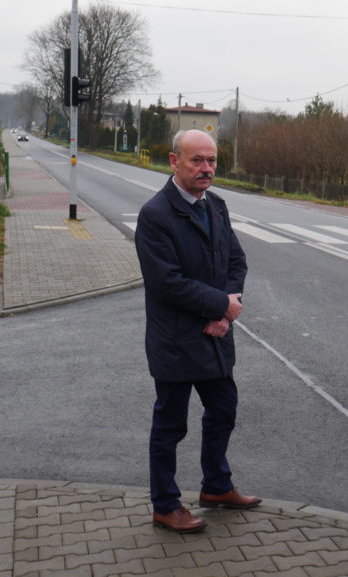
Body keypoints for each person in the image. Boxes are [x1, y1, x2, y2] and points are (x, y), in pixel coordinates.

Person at [135, 129, 261, 533]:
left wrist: (225, 310)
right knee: (170, 426)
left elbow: (236, 261)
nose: (206, 169)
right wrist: (218, 304)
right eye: (196, 160)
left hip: (215, 337)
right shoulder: (156, 214)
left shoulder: (217, 205)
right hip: (175, 341)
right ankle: (165, 505)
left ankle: (216, 486)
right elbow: (165, 282)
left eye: (211, 161)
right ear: (174, 161)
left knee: (223, 410)